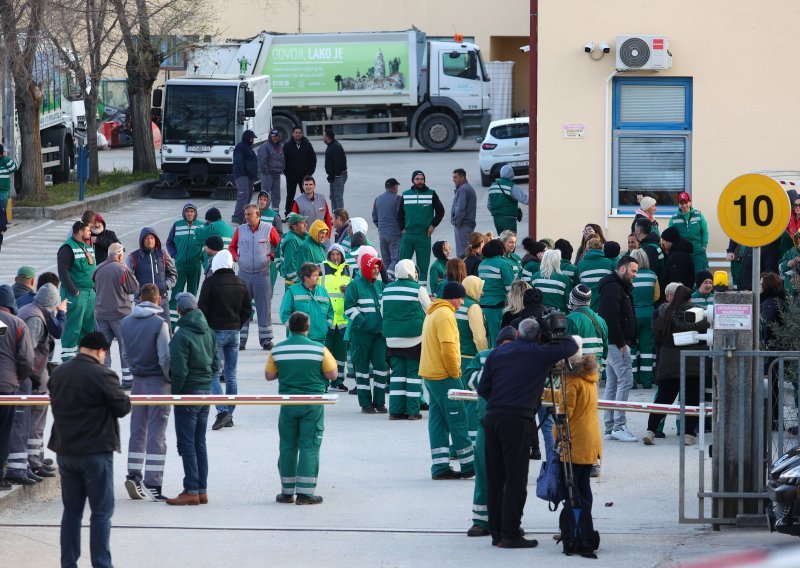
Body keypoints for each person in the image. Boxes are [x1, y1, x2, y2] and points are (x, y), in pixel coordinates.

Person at [478, 318, 579, 548]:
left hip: (492, 418)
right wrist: (551, 333)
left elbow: (483, 389)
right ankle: (511, 534)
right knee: (516, 478)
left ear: (518, 334)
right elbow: (571, 345)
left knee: (495, 478)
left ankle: (497, 532)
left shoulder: (498, 353)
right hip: (517, 419)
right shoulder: (538, 353)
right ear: (537, 336)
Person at [48, 332, 131, 567]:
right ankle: (101, 564)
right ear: (100, 351)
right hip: (95, 452)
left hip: (65, 451)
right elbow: (122, 407)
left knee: (71, 512)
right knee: (101, 513)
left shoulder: (60, 372)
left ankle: (68, 563)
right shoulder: (103, 374)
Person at [266, 311, 338, 504]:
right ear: (307, 328)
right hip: (312, 404)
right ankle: (305, 493)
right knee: (309, 445)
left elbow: (269, 375)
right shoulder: (319, 349)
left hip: (288, 403)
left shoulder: (278, 350)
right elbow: (332, 374)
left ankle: (287, 492)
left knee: (288, 446)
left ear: (289, 327)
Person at [542, 351, 602, 554]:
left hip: (574, 441)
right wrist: (544, 393)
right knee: (583, 485)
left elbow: (565, 412)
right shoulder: (588, 376)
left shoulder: (570, 380)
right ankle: (584, 528)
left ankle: (576, 530)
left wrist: (556, 435)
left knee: (571, 488)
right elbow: (567, 397)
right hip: (590, 440)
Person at [463, 326, 518, 538]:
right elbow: (469, 379)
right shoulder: (484, 357)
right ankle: (481, 521)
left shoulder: (523, 358)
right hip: (487, 423)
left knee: (510, 476)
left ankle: (506, 521)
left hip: (511, 424)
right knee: (484, 472)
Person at [121, 283, 172, 502]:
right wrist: (170, 378)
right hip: (158, 383)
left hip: (138, 383)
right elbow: (164, 357)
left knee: (138, 429)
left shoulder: (125, 322)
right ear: (158, 300)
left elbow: (124, 353)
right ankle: (153, 483)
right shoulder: (159, 324)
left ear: (140, 298)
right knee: (157, 433)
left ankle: (133, 474)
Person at [419, 281, 475, 479]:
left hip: (430, 374)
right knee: (458, 417)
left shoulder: (433, 312)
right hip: (445, 376)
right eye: (460, 298)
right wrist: (455, 373)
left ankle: (440, 466)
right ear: (453, 297)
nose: (462, 302)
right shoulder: (445, 314)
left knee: (437, 421)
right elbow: (449, 348)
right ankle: (469, 464)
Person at [167, 293, 218, 505]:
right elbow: (216, 365)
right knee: (200, 442)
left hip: (188, 392)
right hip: (205, 391)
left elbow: (179, 370)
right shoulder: (209, 332)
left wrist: (175, 394)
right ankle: (201, 489)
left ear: (180, 310)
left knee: (187, 443)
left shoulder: (181, 335)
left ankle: (191, 489)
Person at [643, 285, 710, 446]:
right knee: (692, 401)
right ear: (689, 298)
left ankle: (651, 431)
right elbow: (706, 331)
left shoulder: (664, 312)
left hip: (669, 362)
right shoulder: (699, 312)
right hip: (693, 362)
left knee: (663, 398)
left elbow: (657, 335)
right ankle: (688, 435)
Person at [198, 251, 252, 431]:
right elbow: (247, 309)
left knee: (213, 373)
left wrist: (206, 328)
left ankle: (222, 411)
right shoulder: (241, 283)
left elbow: (202, 308)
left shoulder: (210, 283)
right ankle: (229, 411)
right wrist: (237, 323)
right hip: (234, 332)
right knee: (231, 373)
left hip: (215, 331)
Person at [18, 284, 61, 480]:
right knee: (34, 421)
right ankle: (33, 462)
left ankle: (36, 459)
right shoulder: (36, 318)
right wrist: (35, 377)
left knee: (33, 420)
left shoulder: (28, 309)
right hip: (32, 377)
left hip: (30, 375)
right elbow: (29, 352)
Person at [382, 259, 431, 420]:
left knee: (396, 375)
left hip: (392, 338)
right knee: (413, 375)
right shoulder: (418, 289)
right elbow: (429, 310)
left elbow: (383, 312)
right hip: (414, 338)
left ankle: (395, 411)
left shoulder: (387, 289)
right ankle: (412, 411)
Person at [598, 256, 639, 442]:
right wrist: (622, 343)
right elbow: (610, 318)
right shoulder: (614, 288)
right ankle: (618, 426)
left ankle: (609, 428)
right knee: (625, 380)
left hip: (615, 342)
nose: (635, 275)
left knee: (613, 382)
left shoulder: (616, 286)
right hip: (616, 343)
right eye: (633, 271)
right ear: (623, 269)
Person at [228, 204, 279, 351]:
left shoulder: (269, 229)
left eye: (249, 214)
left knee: (264, 308)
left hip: (262, 274)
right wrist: (237, 258)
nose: (246, 217)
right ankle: (241, 341)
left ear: (258, 215)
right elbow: (232, 247)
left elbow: (279, 245)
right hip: (243, 274)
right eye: (246, 214)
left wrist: (272, 255)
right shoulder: (240, 230)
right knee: (242, 307)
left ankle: (266, 340)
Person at [0, 286, 35, 488]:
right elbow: (27, 361)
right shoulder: (18, 323)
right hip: (7, 387)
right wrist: (17, 377)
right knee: (4, 431)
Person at [344, 254, 388, 413]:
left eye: (378, 267)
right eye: (373, 267)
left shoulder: (381, 285)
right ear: (366, 268)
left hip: (379, 335)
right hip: (361, 334)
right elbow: (349, 308)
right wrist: (364, 323)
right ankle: (365, 403)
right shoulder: (354, 285)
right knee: (361, 368)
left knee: (381, 367)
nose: (376, 270)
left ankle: (380, 402)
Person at [93, 242, 140, 389]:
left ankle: (104, 380)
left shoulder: (98, 268)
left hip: (101, 314)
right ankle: (127, 379)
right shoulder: (121, 269)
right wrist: (126, 268)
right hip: (120, 314)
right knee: (125, 347)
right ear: (119, 255)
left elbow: (95, 286)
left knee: (103, 348)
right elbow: (134, 288)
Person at [57, 221, 97, 362]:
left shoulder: (88, 247)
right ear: (80, 231)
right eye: (87, 230)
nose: (90, 232)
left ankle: (84, 358)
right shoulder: (67, 248)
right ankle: (69, 360)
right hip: (76, 295)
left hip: (90, 293)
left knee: (87, 329)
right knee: (73, 328)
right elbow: (63, 271)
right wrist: (74, 292)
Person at [398, 170, 446, 287]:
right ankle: (403, 286)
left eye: (422, 179)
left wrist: (433, 225)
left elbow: (441, 211)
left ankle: (422, 289)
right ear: (413, 180)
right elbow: (399, 214)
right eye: (417, 179)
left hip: (424, 235)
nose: (420, 181)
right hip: (408, 235)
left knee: (423, 265)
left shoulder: (431, 194)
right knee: (403, 263)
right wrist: (402, 228)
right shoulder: (406, 194)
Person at [456, 275, 488, 441]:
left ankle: (457, 445)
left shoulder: (457, 304)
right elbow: (479, 337)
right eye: (480, 289)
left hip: (456, 357)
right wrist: (485, 356)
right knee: (471, 401)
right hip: (470, 359)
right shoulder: (473, 307)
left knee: (459, 402)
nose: (482, 293)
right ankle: (470, 444)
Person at [126, 227, 178, 324]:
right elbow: (128, 279)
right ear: (142, 240)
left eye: (152, 238)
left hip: (161, 301)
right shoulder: (133, 257)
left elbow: (173, 274)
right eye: (147, 238)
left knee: (166, 331)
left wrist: (165, 285)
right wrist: (139, 291)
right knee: (144, 333)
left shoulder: (163, 254)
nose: (150, 241)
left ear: (156, 240)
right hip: (142, 303)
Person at [166, 203, 205, 327]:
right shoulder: (177, 225)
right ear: (184, 213)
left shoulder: (201, 225)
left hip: (195, 265)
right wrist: (175, 254)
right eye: (187, 211)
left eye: (192, 212)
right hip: (180, 265)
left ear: (195, 213)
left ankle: (190, 322)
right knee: (176, 293)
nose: (189, 214)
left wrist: (202, 257)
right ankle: (172, 323)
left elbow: (206, 243)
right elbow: (169, 242)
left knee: (192, 295)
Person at [321, 244, 351, 391]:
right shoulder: (321, 269)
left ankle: (338, 381)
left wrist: (349, 290)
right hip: (327, 319)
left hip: (343, 320)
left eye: (338, 254)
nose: (335, 257)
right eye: (332, 254)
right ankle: (324, 382)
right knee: (326, 352)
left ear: (342, 256)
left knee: (340, 353)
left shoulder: (349, 270)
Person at [280, 263, 333, 344]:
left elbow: (330, 312)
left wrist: (326, 326)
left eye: (318, 275)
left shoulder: (323, 291)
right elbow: (284, 314)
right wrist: (294, 330)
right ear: (306, 278)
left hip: (320, 339)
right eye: (315, 275)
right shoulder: (292, 291)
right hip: (299, 340)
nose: (318, 278)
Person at [628, 249, 659, 389]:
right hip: (649, 313)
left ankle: (633, 380)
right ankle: (647, 381)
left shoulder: (630, 275)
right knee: (647, 348)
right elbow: (656, 296)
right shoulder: (653, 275)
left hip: (633, 314)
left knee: (632, 348)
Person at [479, 239, 514, 346]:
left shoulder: (482, 263)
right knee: (497, 338)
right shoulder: (503, 264)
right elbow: (510, 287)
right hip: (497, 306)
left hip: (483, 305)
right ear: (501, 250)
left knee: (487, 336)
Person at [566, 284, 609, 371]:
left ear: (572, 300)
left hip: (577, 369)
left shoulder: (570, 319)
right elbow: (605, 348)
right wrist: (601, 367)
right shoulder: (601, 320)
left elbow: (566, 348)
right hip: (596, 368)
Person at [667, 192, 709, 272]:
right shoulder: (674, 218)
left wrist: (704, 246)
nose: (684, 205)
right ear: (679, 204)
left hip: (697, 251)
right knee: (684, 277)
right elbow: (670, 235)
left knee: (699, 275)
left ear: (690, 202)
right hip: (682, 252)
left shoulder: (698, 215)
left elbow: (705, 231)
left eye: (686, 202)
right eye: (681, 203)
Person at [283, 126, 317, 217]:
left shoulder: (307, 145)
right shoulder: (287, 146)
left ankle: (308, 212)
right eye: (296, 132)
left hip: (304, 177)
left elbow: (313, 159)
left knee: (307, 195)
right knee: (290, 195)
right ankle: (288, 214)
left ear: (302, 134)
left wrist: (309, 174)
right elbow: (283, 161)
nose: (298, 134)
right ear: (293, 134)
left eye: (299, 132)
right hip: (291, 177)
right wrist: (287, 173)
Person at [372, 177, 403, 277]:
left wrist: (381, 227)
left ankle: (386, 281)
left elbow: (374, 217)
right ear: (394, 187)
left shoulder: (377, 199)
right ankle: (390, 278)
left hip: (382, 234)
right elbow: (401, 215)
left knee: (386, 260)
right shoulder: (398, 199)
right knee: (396, 259)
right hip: (395, 234)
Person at [576, 237, 615, 313]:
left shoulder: (580, 264)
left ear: (588, 248)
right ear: (601, 248)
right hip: (605, 305)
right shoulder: (608, 262)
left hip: (587, 307)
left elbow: (578, 284)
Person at [487, 164, 528, 234]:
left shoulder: (492, 186)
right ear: (511, 174)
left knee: (501, 241)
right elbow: (525, 199)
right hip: (509, 219)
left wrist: (497, 213)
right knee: (510, 241)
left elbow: (489, 205)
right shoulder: (512, 186)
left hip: (496, 218)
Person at [195, 207, 235, 276]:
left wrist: (205, 224)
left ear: (210, 220)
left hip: (214, 262)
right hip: (228, 262)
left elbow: (198, 235)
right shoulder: (230, 229)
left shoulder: (212, 226)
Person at [232, 129, 259, 224]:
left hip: (249, 176)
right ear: (247, 138)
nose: (253, 140)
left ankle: (244, 215)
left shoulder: (248, 147)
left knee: (248, 195)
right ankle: (237, 216)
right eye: (251, 138)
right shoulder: (241, 147)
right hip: (242, 175)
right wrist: (245, 173)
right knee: (243, 195)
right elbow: (238, 162)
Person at [659, 226, 696, 296]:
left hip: (676, 298)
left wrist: (674, 299)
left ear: (670, 241)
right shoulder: (679, 253)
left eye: (664, 240)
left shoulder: (677, 257)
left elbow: (676, 282)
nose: (662, 243)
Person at [451, 168, 477, 257]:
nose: (453, 180)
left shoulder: (463, 189)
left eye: (455, 177)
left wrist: (456, 222)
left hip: (463, 224)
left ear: (462, 177)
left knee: (463, 253)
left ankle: (462, 270)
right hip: (468, 224)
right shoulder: (467, 188)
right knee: (467, 250)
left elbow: (460, 209)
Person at [279, 213, 309, 289]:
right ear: (294, 227)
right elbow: (290, 265)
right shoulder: (292, 241)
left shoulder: (303, 236)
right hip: (295, 284)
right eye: (302, 223)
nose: (305, 225)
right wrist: (301, 281)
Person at [257, 129, 285, 211]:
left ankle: (275, 214)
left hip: (277, 174)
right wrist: (266, 172)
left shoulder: (279, 147)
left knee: (276, 196)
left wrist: (282, 168)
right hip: (268, 175)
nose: (275, 138)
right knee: (264, 196)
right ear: (270, 137)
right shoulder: (265, 146)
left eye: (277, 136)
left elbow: (282, 159)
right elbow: (262, 160)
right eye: (273, 136)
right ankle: (262, 213)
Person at [323, 129, 347, 210]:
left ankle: (340, 217)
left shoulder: (335, 147)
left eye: (324, 136)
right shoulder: (332, 145)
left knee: (337, 197)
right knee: (333, 196)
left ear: (327, 137)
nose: (323, 138)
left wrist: (334, 175)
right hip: (335, 176)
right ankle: (335, 216)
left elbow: (339, 163)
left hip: (338, 176)